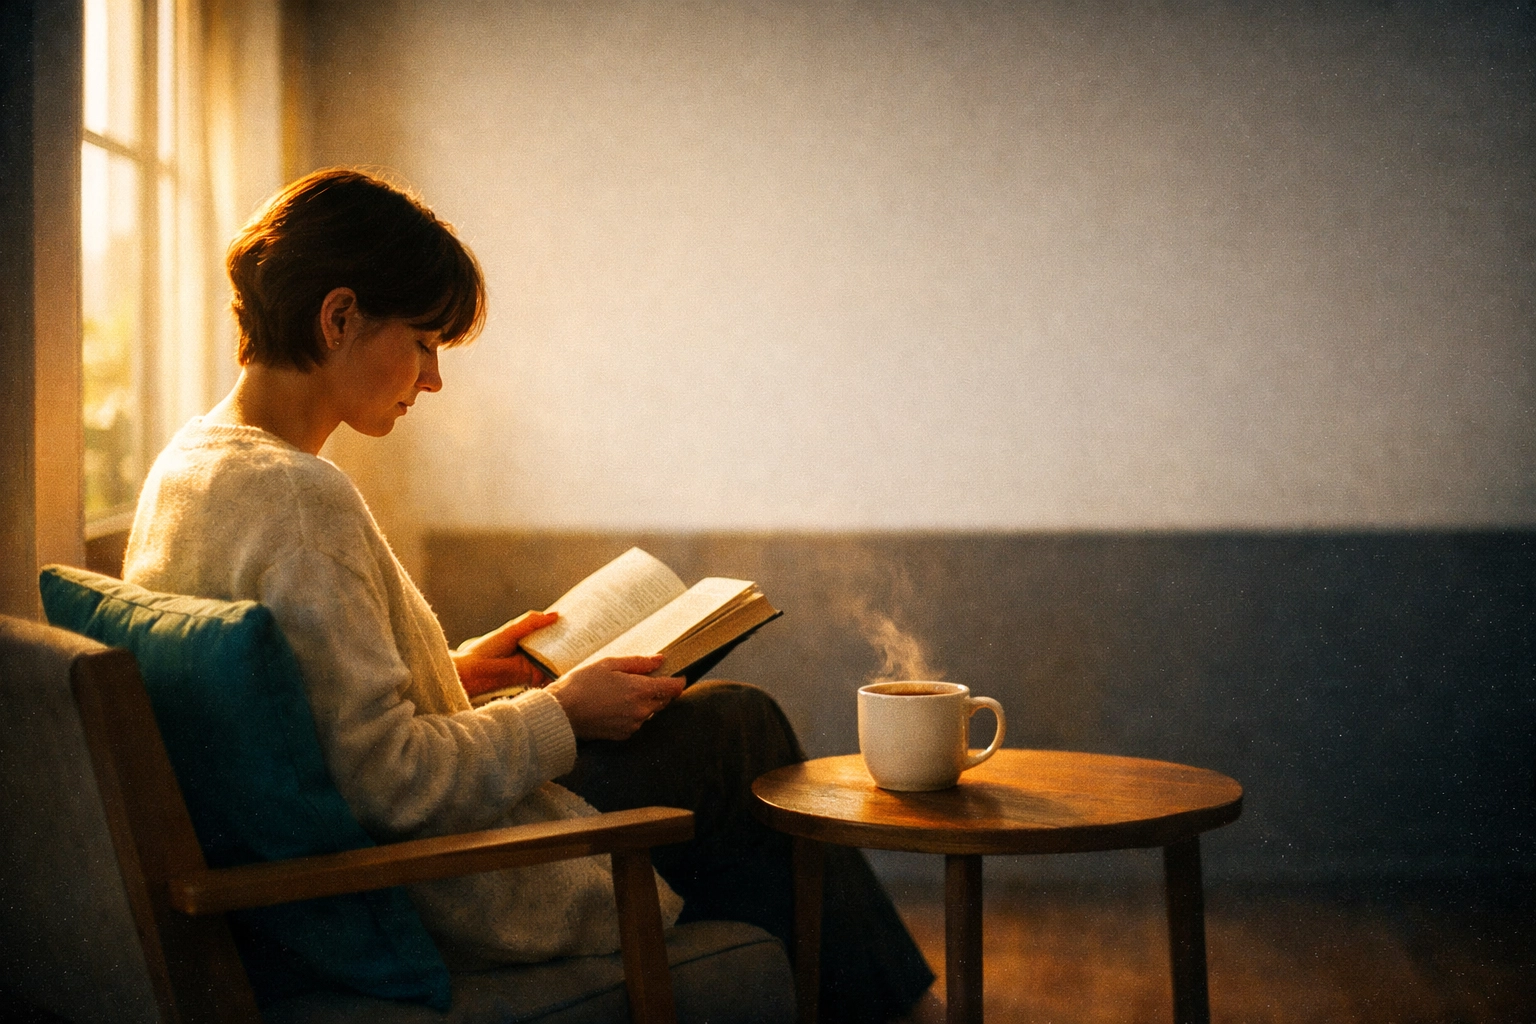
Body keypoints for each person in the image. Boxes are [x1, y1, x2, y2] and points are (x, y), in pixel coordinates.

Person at [123, 167, 936, 1022]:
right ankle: (882, 1008)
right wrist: (563, 714)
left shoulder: (191, 467)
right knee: (736, 731)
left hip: (334, 860)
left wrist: (456, 671)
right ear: (339, 317)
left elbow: (315, 706)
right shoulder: (297, 498)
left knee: (726, 726)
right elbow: (388, 785)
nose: (432, 381)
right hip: (437, 881)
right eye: (425, 342)